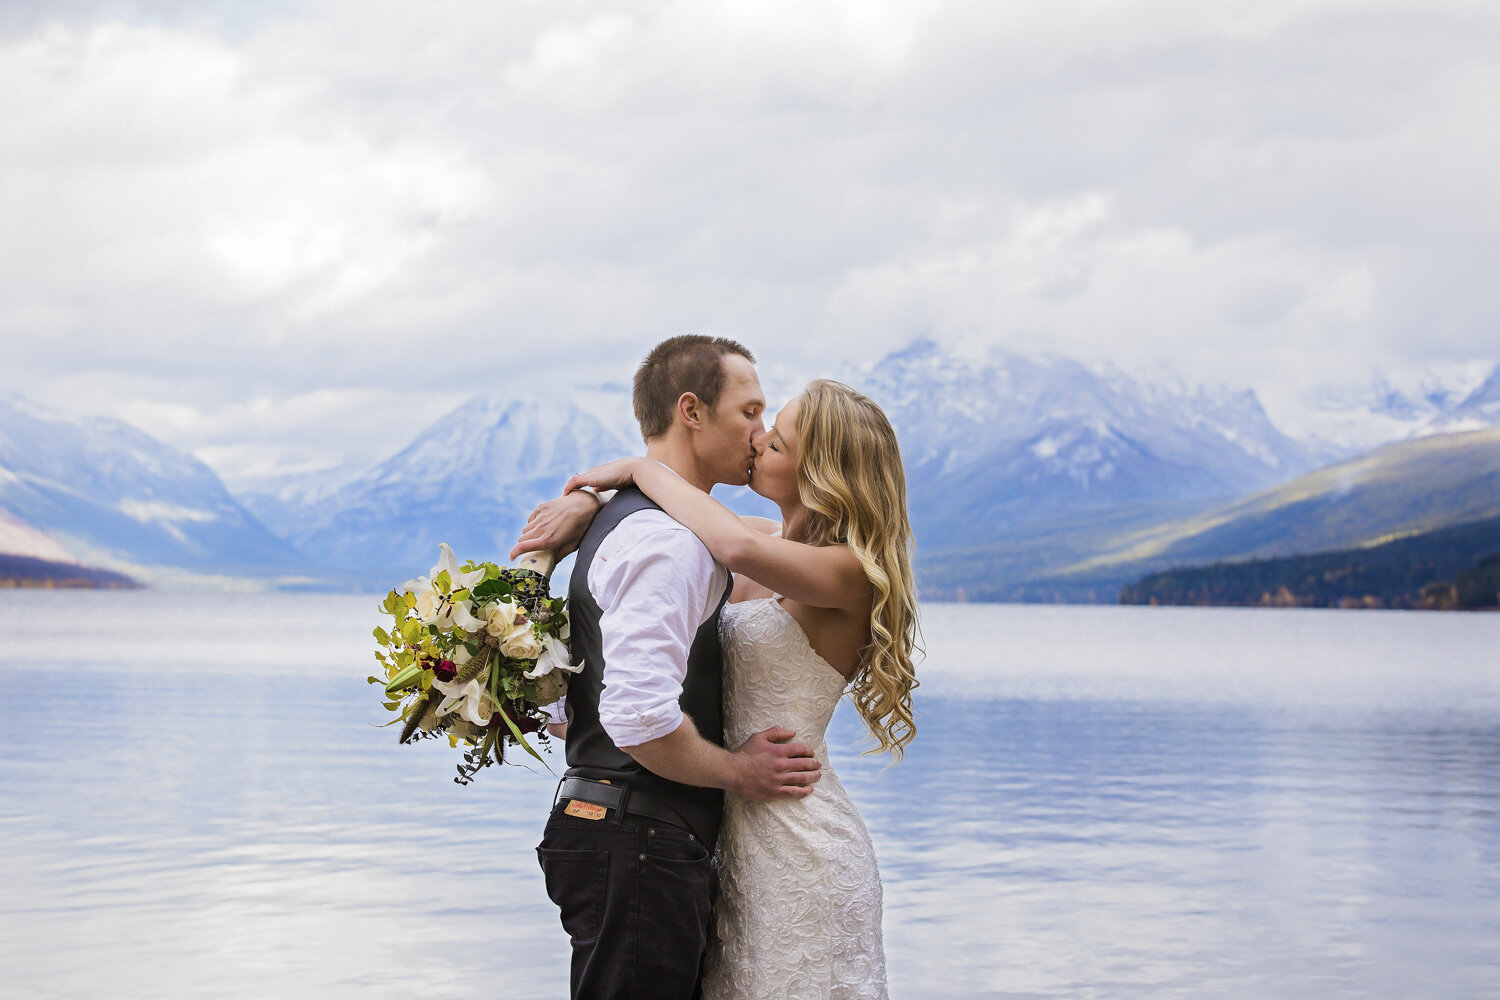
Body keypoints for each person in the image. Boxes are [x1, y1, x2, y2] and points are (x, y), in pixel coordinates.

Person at [517, 377, 920, 1000]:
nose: (758, 444)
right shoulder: (769, 538)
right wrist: (591, 503)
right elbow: (691, 521)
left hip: (795, 827)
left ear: (820, 476)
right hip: (728, 821)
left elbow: (723, 540)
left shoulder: (848, 571)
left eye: (778, 444)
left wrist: (633, 468)